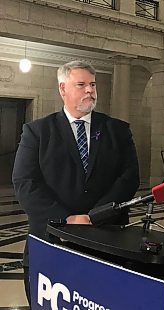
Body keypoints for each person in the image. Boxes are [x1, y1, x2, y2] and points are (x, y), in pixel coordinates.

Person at [12, 60, 140, 303]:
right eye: (81, 85)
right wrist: (66, 218)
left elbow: (129, 177)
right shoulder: (37, 132)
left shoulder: (118, 130)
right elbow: (25, 182)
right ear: (63, 89)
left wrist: (96, 215)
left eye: (92, 84)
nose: (90, 90)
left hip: (107, 240)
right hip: (51, 239)